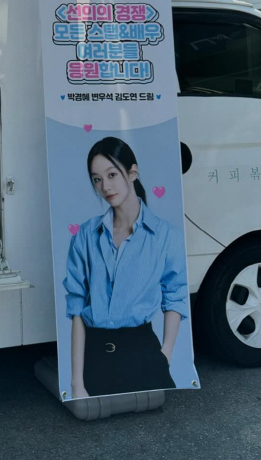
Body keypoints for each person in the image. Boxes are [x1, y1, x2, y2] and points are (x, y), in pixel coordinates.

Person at [64, 137, 188, 398]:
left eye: (112, 175)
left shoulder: (167, 236)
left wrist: (164, 355)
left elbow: (175, 297)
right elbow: (76, 308)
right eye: (97, 179)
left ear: (132, 172)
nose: (105, 186)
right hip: (95, 358)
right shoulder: (85, 235)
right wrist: (76, 382)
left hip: (144, 355)